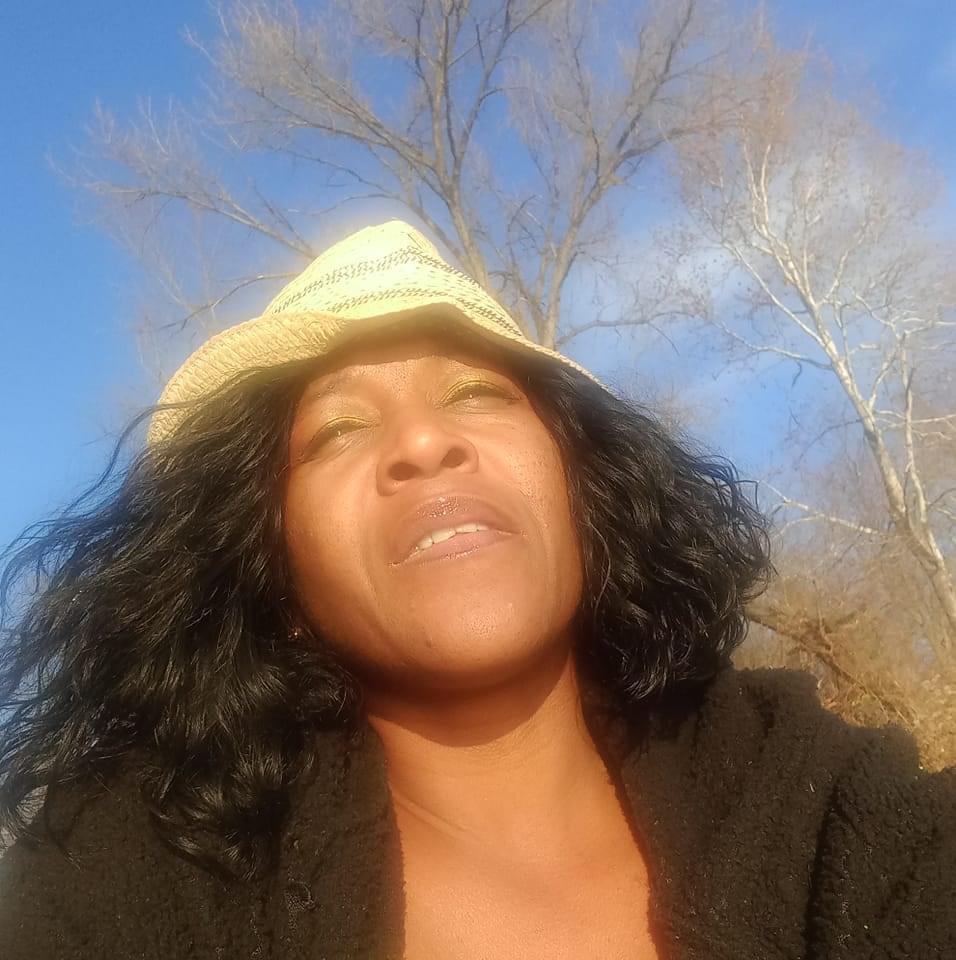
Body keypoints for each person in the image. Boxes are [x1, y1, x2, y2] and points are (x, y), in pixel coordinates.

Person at [0, 220, 952, 960]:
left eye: (475, 394)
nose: (423, 443)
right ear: (274, 577)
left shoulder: (817, 798)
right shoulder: (132, 871)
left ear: (586, 491)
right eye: (337, 431)